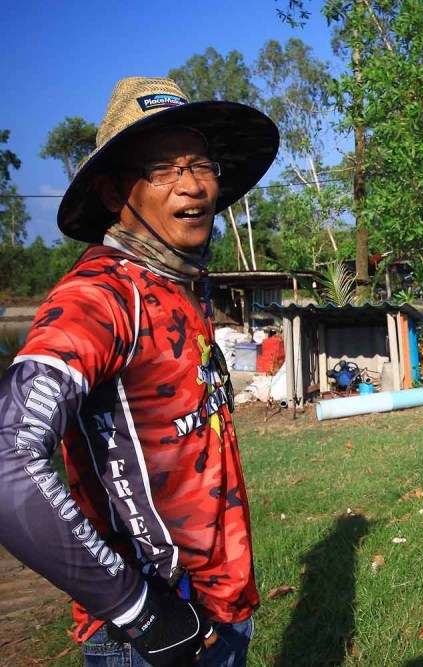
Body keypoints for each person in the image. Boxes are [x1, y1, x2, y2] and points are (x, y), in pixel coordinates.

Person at [0, 77, 279, 666]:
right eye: (161, 169)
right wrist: (139, 610)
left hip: (221, 607)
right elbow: (9, 459)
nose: (193, 184)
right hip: (149, 635)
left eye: (200, 163)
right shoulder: (98, 298)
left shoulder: (181, 287)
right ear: (111, 191)